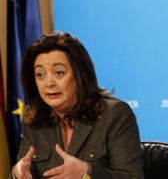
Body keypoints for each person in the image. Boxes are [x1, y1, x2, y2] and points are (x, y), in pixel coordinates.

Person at [10, 32, 144, 179]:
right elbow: (23, 169)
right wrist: (17, 173)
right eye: (40, 75)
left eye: (59, 73)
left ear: (80, 75)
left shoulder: (114, 114)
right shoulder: (34, 118)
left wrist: (87, 173)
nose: (48, 83)